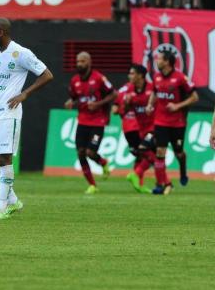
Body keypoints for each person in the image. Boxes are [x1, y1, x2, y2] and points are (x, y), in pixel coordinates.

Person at [0, 18, 53, 220]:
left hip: (8, 112)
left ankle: (1, 207)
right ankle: (13, 201)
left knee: (5, 158)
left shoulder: (21, 53)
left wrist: (25, 94)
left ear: (1, 32)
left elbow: (47, 75)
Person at [146, 50, 199, 194]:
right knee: (160, 151)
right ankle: (160, 184)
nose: (157, 61)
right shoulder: (156, 77)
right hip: (160, 121)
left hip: (177, 123)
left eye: (160, 59)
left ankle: (183, 170)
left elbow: (195, 97)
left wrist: (177, 106)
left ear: (167, 62)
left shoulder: (180, 78)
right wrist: (150, 105)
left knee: (179, 153)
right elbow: (154, 93)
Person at [64, 52, 116, 194]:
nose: (79, 64)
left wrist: (98, 104)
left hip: (98, 122)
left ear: (89, 62)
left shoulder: (99, 78)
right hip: (82, 121)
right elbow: (74, 97)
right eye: (77, 61)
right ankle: (92, 185)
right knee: (81, 153)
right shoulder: (75, 80)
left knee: (90, 152)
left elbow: (114, 94)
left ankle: (103, 163)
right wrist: (70, 102)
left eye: (82, 61)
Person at [123, 64, 155, 194]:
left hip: (156, 126)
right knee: (149, 156)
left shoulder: (152, 88)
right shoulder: (129, 89)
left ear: (140, 76)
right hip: (141, 129)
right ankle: (140, 182)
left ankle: (136, 174)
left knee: (148, 152)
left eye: (132, 73)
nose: (129, 76)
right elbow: (125, 111)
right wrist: (126, 103)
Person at [112, 82, 141, 181]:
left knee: (139, 153)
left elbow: (114, 110)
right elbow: (114, 110)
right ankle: (137, 177)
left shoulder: (121, 90)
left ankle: (137, 179)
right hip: (139, 127)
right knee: (148, 154)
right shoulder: (145, 88)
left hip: (128, 128)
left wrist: (121, 110)